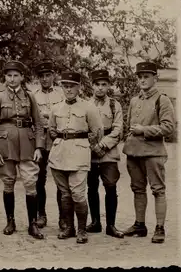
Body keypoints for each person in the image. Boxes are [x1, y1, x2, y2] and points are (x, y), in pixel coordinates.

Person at [0, 61, 45, 240]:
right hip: (6, 145)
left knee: (30, 183)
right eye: (9, 76)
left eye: (15, 76)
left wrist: (39, 147)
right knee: (8, 181)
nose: (12, 79)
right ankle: (10, 221)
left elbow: (39, 124)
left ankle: (32, 224)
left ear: (21, 77)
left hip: (27, 144)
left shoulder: (29, 96)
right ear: (5, 78)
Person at [122, 62, 175, 244]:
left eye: (146, 76)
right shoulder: (134, 100)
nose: (143, 80)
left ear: (155, 78)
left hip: (153, 153)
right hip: (134, 153)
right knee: (137, 189)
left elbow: (169, 127)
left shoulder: (162, 100)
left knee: (158, 190)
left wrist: (144, 130)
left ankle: (160, 227)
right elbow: (129, 125)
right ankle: (140, 224)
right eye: (140, 77)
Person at [48, 71, 103, 244]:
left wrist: (83, 144)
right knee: (65, 195)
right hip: (59, 155)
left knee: (78, 194)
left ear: (79, 87)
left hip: (79, 155)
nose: (69, 89)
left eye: (72, 86)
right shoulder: (56, 107)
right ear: (62, 87)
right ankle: (69, 228)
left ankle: (81, 230)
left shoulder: (88, 107)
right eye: (65, 86)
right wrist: (59, 139)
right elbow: (51, 129)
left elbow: (98, 131)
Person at [86, 70, 124, 238]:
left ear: (109, 86)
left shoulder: (115, 105)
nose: (100, 88)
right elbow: (82, 128)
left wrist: (102, 145)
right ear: (91, 85)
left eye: (104, 84)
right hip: (90, 153)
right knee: (91, 188)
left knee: (111, 187)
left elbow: (118, 130)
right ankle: (95, 222)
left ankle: (111, 225)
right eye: (97, 84)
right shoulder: (85, 104)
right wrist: (94, 146)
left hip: (108, 153)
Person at [32, 61, 65, 229]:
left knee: (61, 178)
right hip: (40, 138)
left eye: (48, 75)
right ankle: (41, 214)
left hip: (58, 138)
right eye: (42, 76)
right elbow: (32, 117)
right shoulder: (33, 94)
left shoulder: (61, 94)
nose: (45, 79)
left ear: (53, 76)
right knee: (39, 178)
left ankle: (63, 217)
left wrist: (48, 114)